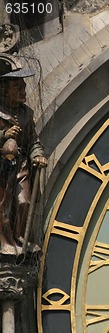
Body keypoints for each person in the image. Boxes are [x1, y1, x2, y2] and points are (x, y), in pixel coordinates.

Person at [0, 68, 47, 253]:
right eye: (18, 87)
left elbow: (33, 140)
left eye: (23, 87)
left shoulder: (26, 113)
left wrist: (37, 154)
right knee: (3, 206)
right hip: (3, 168)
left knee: (23, 201)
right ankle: (5, 243)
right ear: (5, 90)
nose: (23, 91)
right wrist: (4, 135)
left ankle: (20, 238)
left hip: (21, 166)